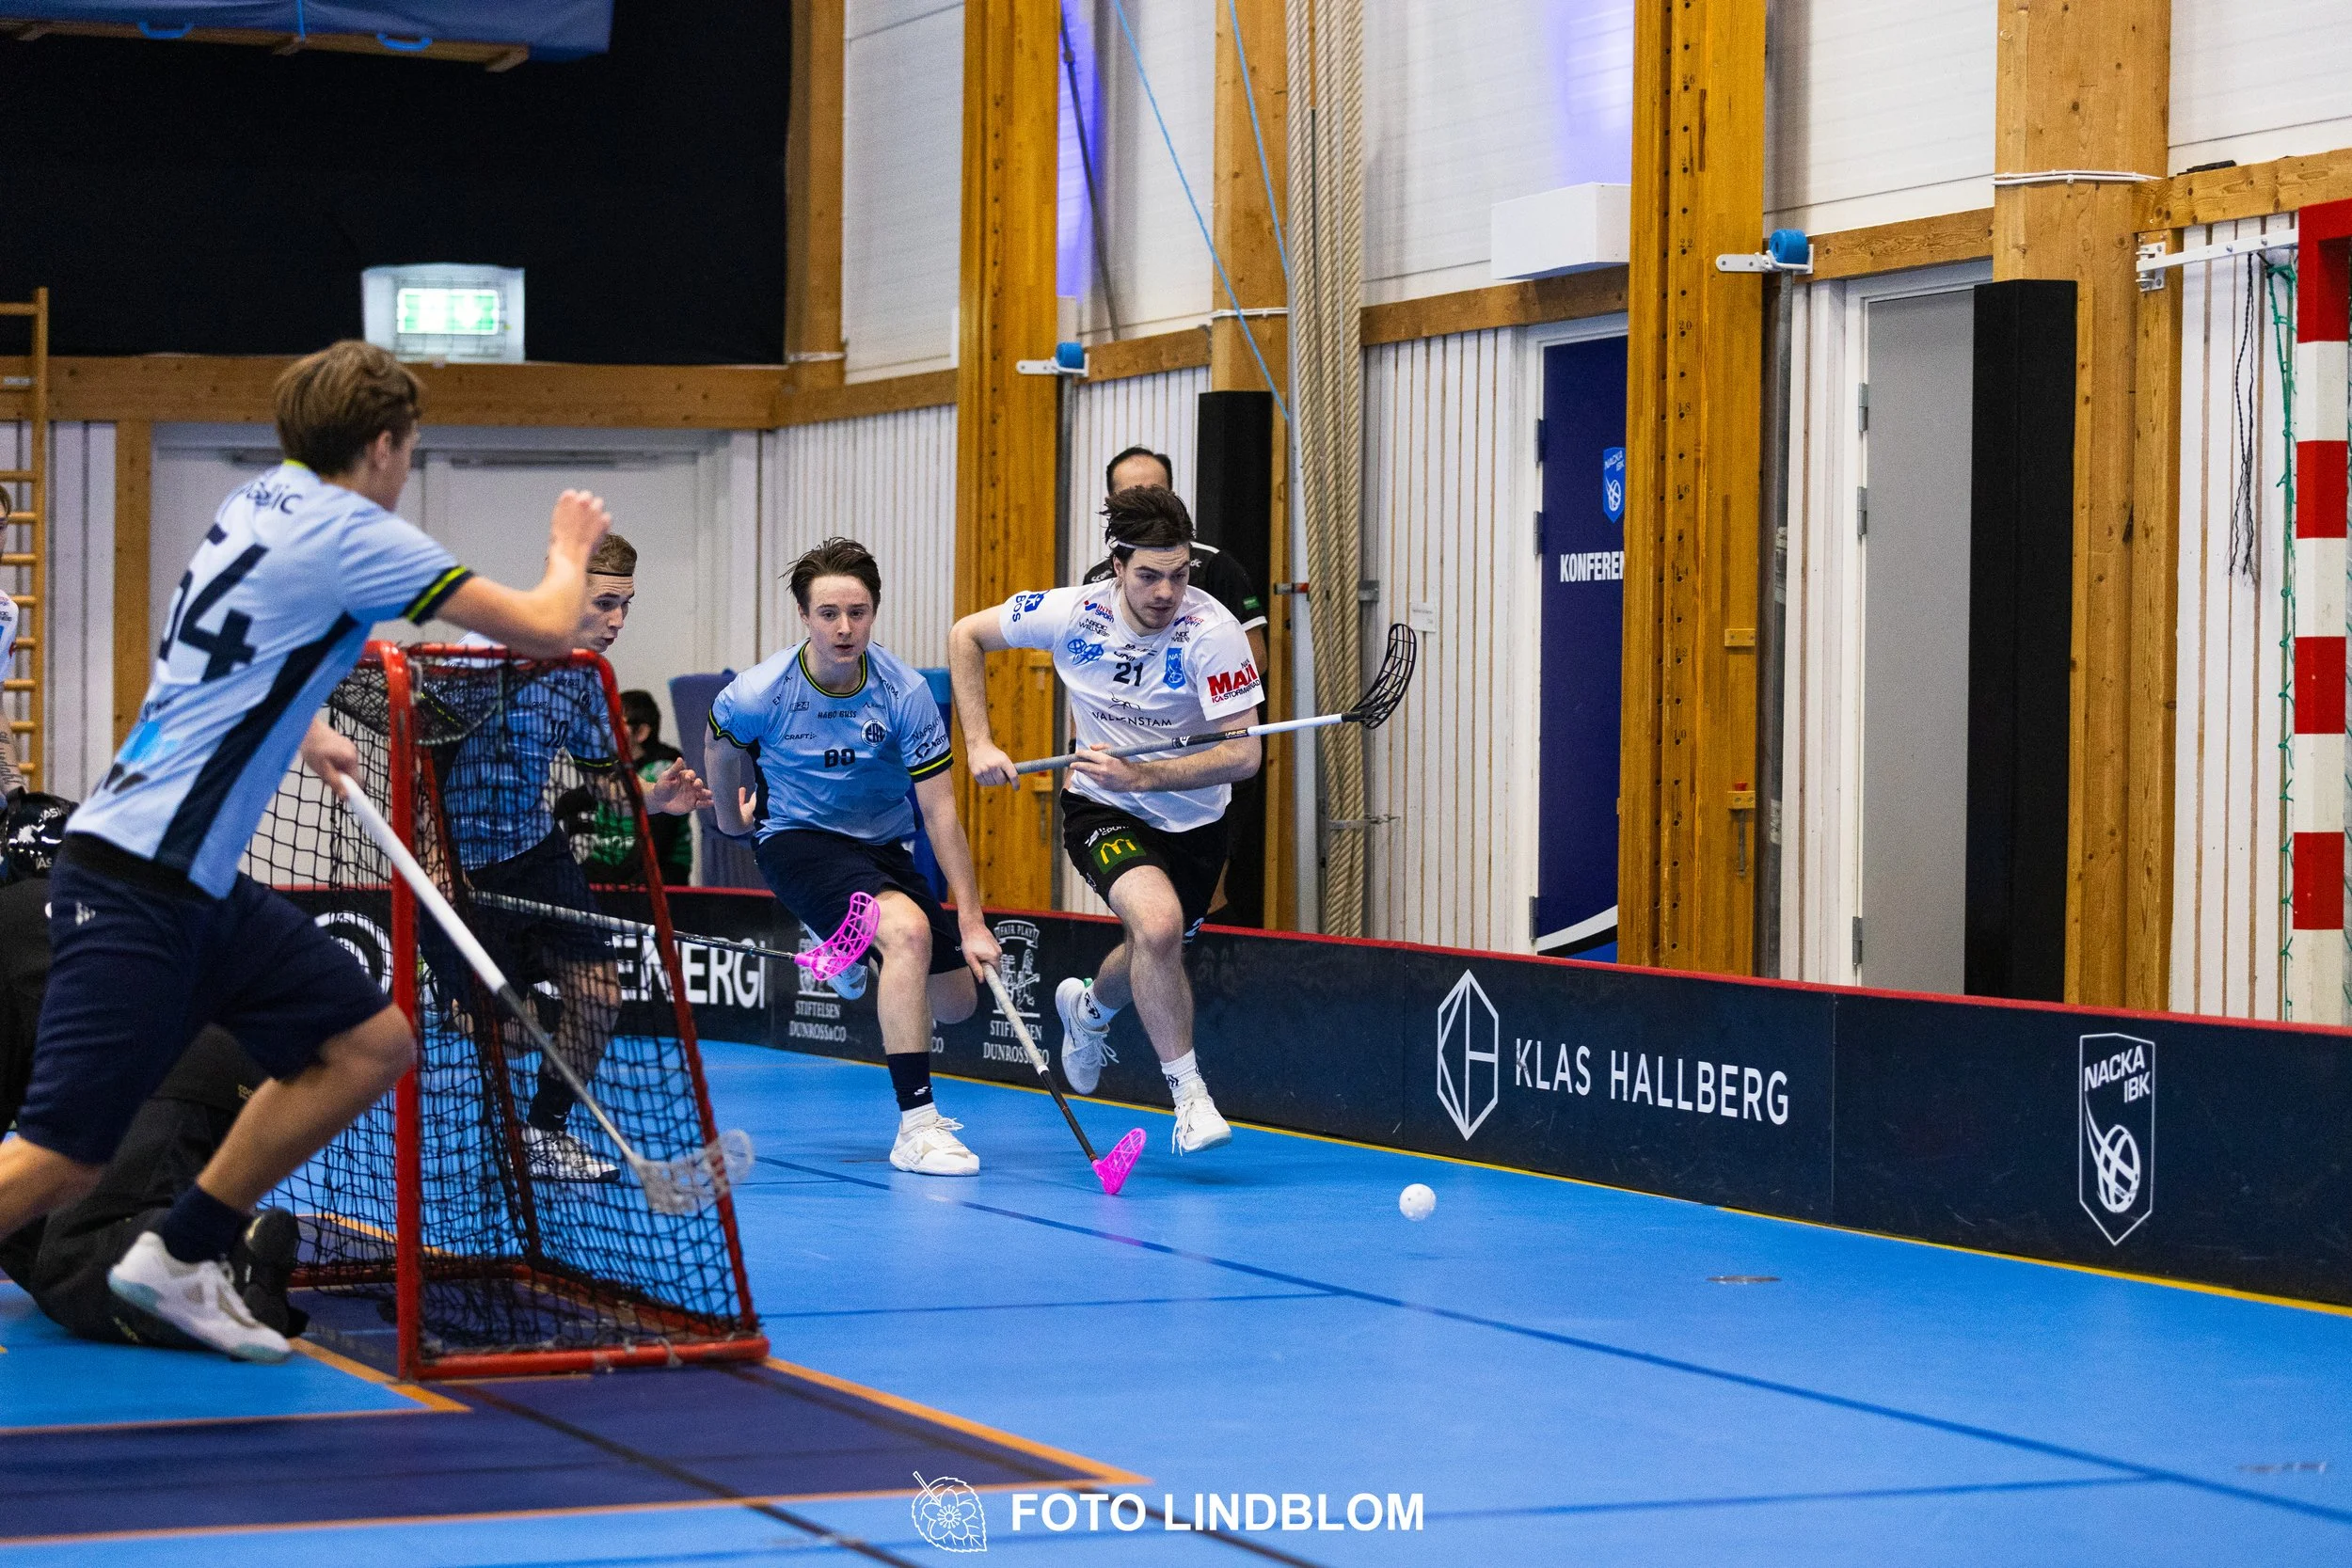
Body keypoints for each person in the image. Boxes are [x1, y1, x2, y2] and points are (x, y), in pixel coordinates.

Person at [0, 338, 615, 1362]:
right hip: (139, 878)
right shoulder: (354, 532)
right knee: (65, 1158)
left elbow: (236, 654)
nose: (407, 462)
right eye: (410, 444)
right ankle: (173, 1245)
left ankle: (181, 1251)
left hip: (195, 882)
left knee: (370, 1045)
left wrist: (304, 721)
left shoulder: (255, 504)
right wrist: (569, 546)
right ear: (383, 444)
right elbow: (551, 628)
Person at [949, 484, 1263, 1154]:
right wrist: (978, 740)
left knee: (1159, 945)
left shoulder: (1214, 634)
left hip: (1196, 820)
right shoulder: (1072, 613)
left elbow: (1245, 755)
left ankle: (1088, 1010)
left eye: (1178, 575)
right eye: (1148, 575)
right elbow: (965, 635)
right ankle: (1190, 1097)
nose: (1165, 591)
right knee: (1157, 924)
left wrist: (1148, 773)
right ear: (1117, 566)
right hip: (1102, 804)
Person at [705, 538, 1002, 1176]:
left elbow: (942, 811)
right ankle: (917, 1125)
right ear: (805, 617)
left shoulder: (906, 693)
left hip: (884, 846)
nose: (844, 627)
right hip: (797, 838)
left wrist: (973, 919)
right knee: (907, 932)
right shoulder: (762, 691)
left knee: (956, 1001)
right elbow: (719, 745)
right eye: (829, 613)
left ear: (874, 611)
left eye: (858, 612)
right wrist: (732, 824)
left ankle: (839, 941)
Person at [422, 531, 709, 1182]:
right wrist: (437, 857)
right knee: (486, 1025)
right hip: (454, 857)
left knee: (601, 994)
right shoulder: (480, 655)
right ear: (566, 589)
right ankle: (480, 1007)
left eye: (626, 606)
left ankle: (544, 1132)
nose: (617, 621)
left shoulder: (585, 676)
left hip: (533, 847)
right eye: (605, 603)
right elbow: (421, 761)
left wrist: (656, 799)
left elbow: (603, 779)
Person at [1082, 447, 1268, 925]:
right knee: (1148, 909)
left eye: (1156, 491)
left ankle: (1205, 984)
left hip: (1203, 761)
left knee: (1197, 904)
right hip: (1121, 773)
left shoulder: (1215, 568)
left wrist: (1175, 684)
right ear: (1110, 503)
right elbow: (1090, 677)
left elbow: (1258, 657)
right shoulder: (1094, 585)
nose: (1164, 590)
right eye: (1132, 493)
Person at [580, 689, 694, 885]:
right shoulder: (615, 768)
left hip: (656, 870)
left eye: (614, 722)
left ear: (641, 732)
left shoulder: (664, 772)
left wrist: (612, 881)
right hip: (613, 864)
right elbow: (595, 797)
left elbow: (655, 844)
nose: (604, 729)